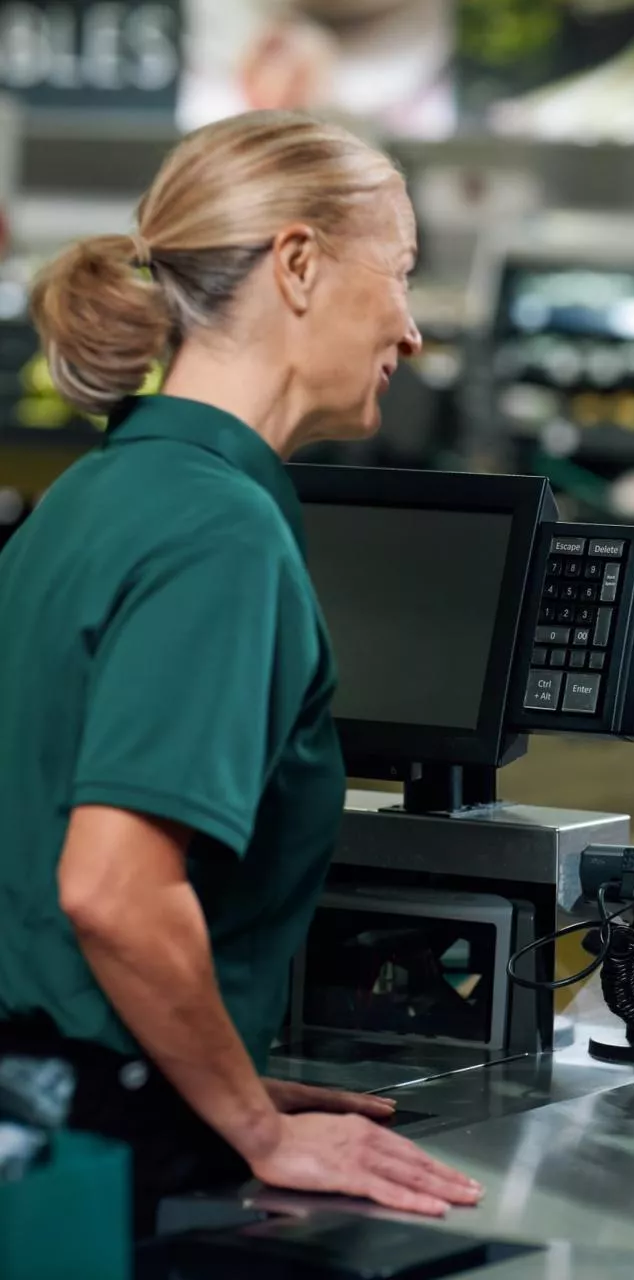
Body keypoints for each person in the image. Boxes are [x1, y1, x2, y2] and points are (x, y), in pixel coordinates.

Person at [0, 111, 483, 1233]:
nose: (410, 330)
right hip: (107, 1157)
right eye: (400, 273)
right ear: (299, 264)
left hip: (49, 1109)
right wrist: (252, 1127)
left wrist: (206, 1068)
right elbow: (111, 888)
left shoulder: (89, 498)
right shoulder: (219, 531)